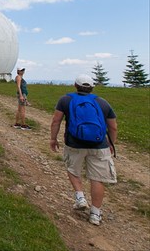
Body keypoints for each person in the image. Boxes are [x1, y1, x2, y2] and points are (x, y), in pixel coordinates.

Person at [49, 74, 117, 226]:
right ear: (92, 87)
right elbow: (113, 126)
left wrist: (53, 139)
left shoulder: (65, 100)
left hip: (74, 143)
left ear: (75, 85)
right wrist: (111, 143)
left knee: (73, 169)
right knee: (97, 178)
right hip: (99, 145)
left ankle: (80, 197)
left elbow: (56, 121)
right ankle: (95, 214)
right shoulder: (102, 102)